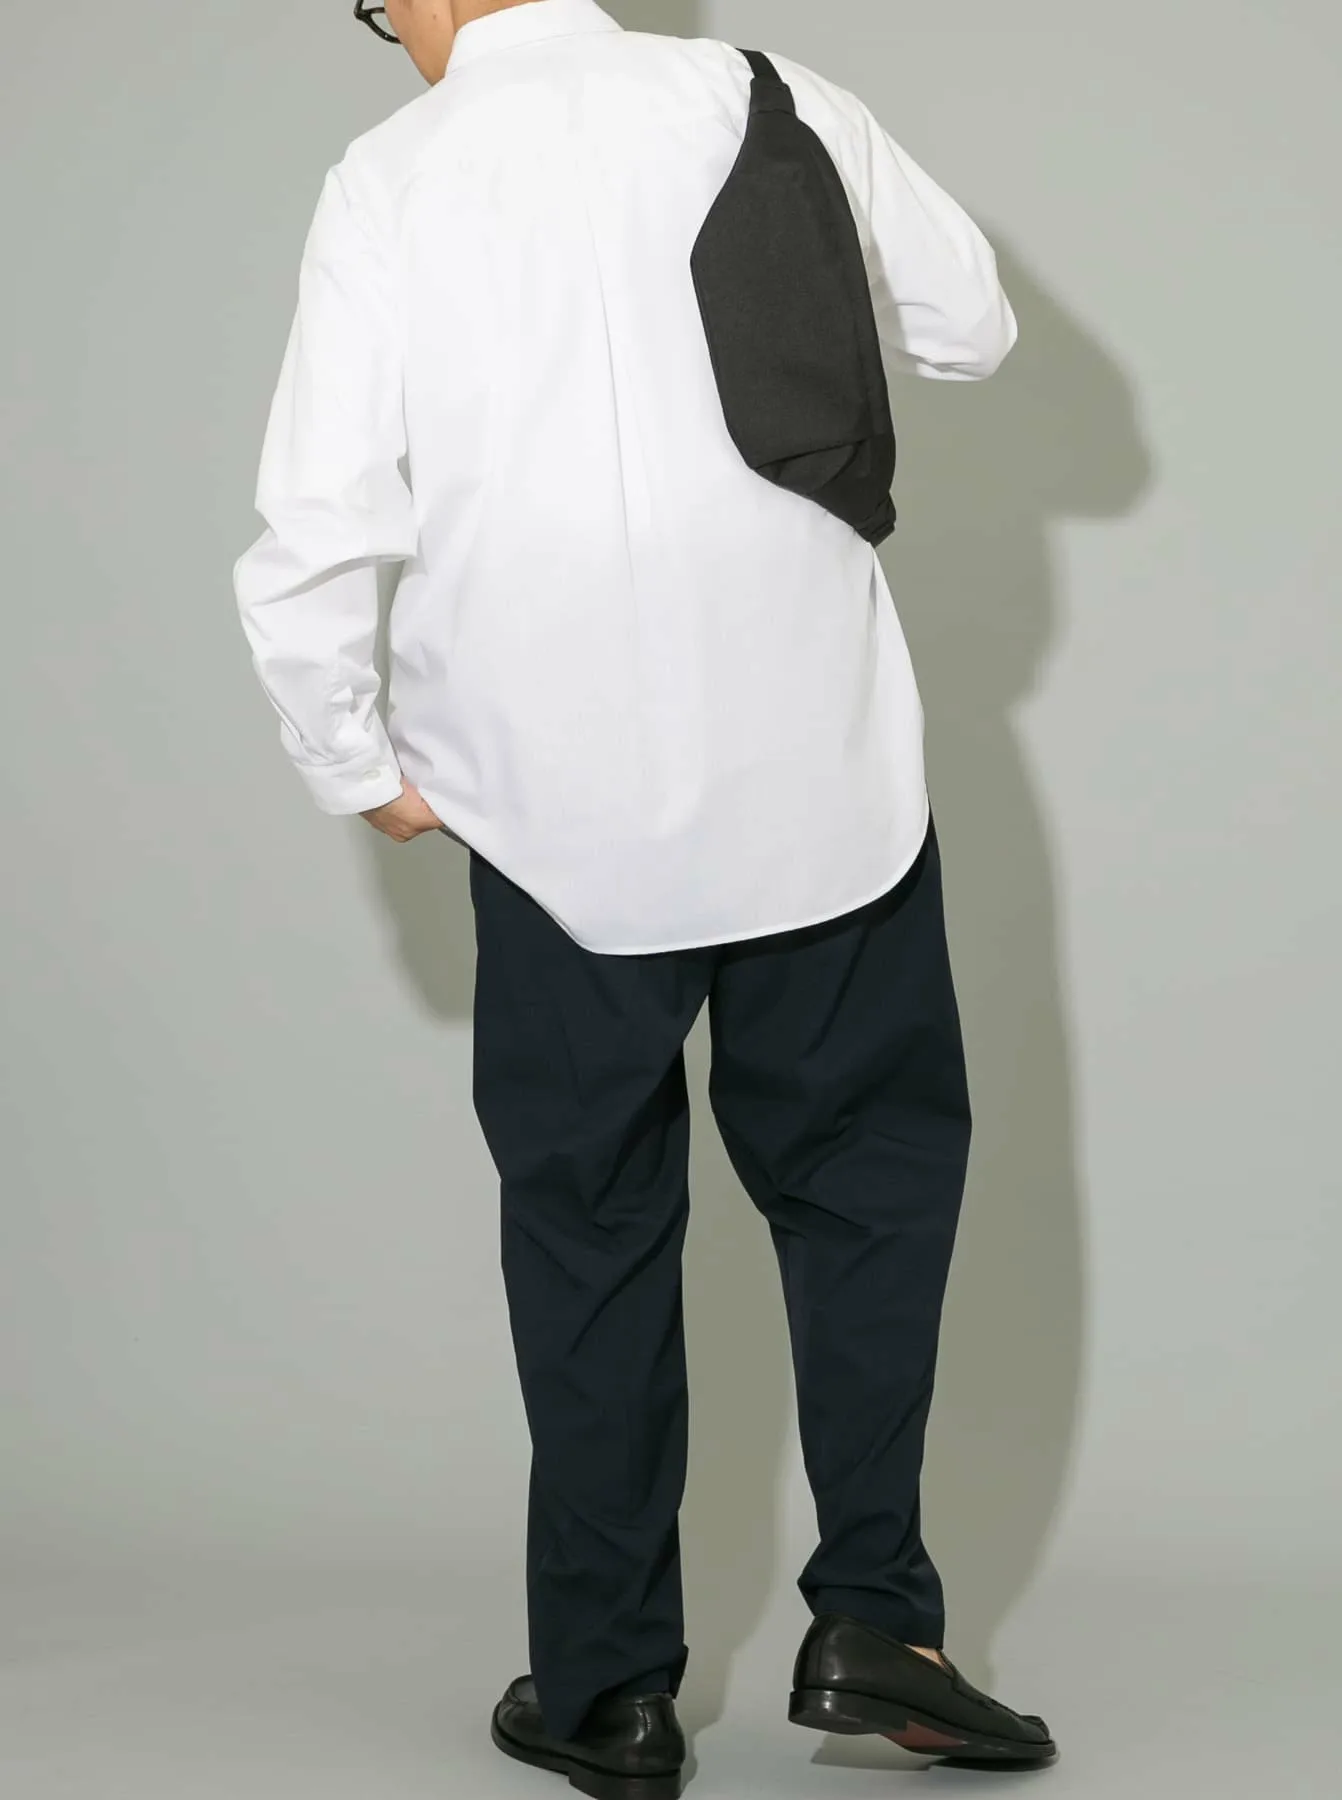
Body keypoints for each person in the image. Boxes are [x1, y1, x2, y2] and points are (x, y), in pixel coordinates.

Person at [233, 2, 1055, 1794]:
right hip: (818, 770)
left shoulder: (393, 176)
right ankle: (878, 1623)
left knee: (591, 1231)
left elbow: (319, 511)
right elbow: (970, 329)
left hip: (546, 803)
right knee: (866, 1195)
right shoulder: (773, 97)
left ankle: (608, 1689)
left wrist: (351, 756)